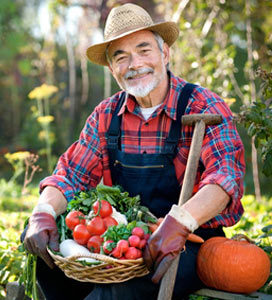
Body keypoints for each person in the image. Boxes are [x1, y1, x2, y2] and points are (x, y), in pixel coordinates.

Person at [22, 3, 245, 300]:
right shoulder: (107, 115)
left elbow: (225, 178)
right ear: (112, 69)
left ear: (164, 53)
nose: (134, 63)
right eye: (121, 57)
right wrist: (44, 212)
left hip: (189, 241)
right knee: (42, 243)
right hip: (127, 240)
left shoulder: (203, 106)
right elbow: (72, 175)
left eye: (143, 50)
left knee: (116, 295)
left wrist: (181, 222)